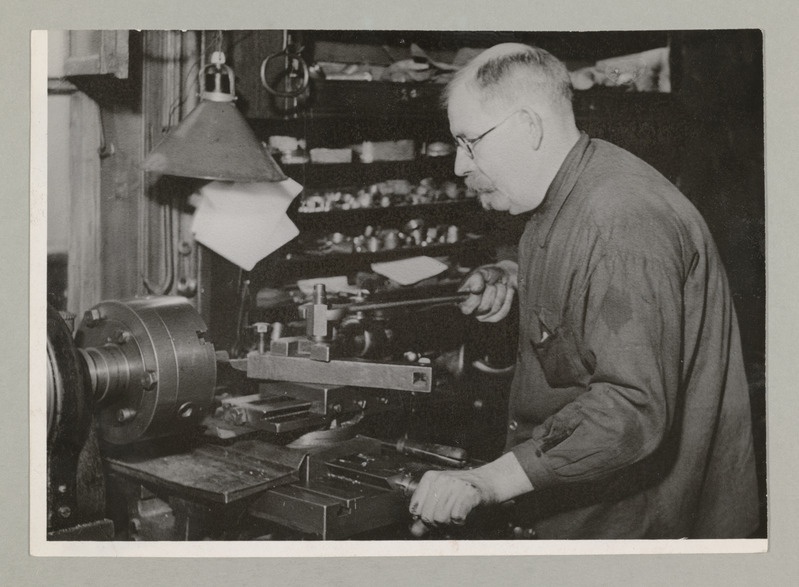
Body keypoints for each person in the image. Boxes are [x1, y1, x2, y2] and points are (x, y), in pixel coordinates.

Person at [408, 43, 760, 539]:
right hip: (587, 506)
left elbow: (629, 409)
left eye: (469, 142)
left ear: (529, 127)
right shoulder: (566, 194)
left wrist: (485, 481)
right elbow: (589, 293)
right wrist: (513, 278)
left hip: (645, 522)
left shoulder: (623, 219)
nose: (460, 167)